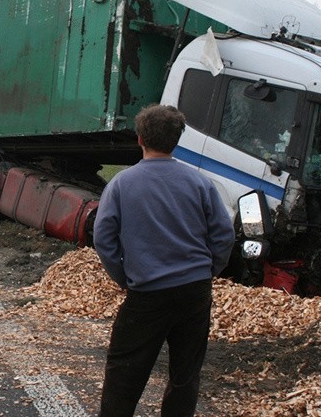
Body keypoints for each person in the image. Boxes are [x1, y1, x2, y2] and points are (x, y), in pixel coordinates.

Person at [93, 104, 235, 417]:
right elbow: (224, 236)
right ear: (177, 140)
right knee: (185, 375)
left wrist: (123, 277)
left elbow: (103, 239)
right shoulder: (199, 183)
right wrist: (209, 270)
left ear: (140, 138)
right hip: (195, 291)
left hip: (147, 292)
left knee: (124, 372)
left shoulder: (122, 184)